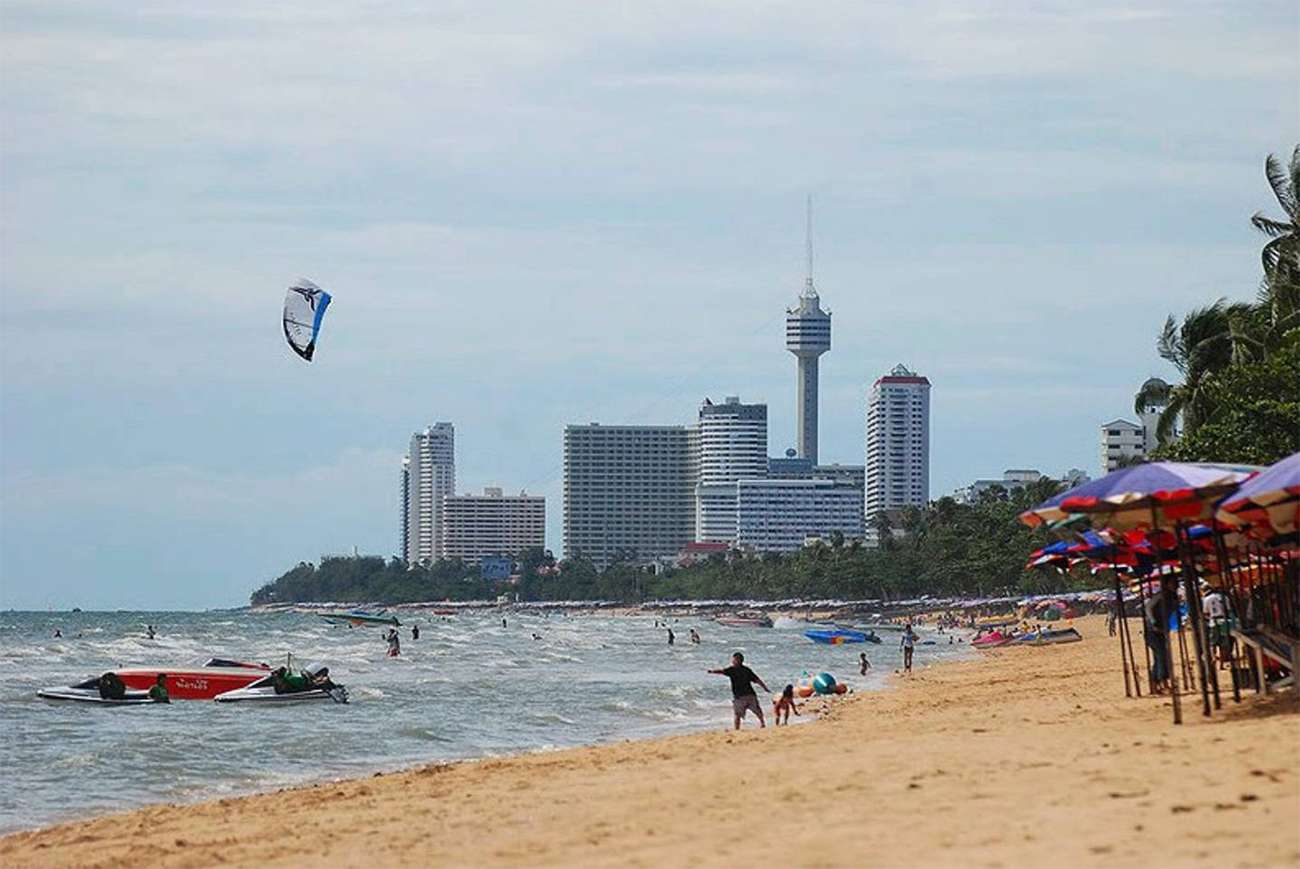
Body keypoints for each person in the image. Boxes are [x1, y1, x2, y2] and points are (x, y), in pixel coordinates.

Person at [708, 652, 769, 730]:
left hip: (740, 697)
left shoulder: (732, 670)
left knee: (737, 714)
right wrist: (765, 688)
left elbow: (721, 671)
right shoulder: (747, 670)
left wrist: (712, 671)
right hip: (750, 695)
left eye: (734, 659)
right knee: (757, 711)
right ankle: (762, 724)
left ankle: (737, 729)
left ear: (738, 660)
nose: (732, 661)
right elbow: (757, 680)